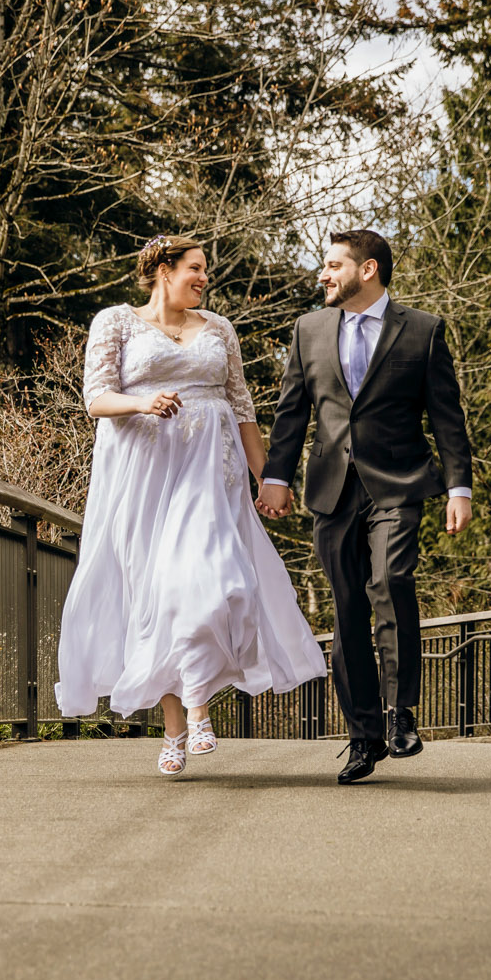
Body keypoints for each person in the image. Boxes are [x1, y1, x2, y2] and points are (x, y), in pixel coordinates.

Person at [55, 235, 326, 775]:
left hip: (210, 475)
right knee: (157, 599)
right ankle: (176, 729)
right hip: (143, 476)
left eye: (206, 270)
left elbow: (242, 406)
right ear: (162, 269)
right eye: (195, 268)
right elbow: (96, 397)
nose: (204, 278)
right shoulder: (115, 321)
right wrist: (142, 402)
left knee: (209, 585)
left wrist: (269, 478)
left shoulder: (220, 328)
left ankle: (199, 706)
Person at [257, 229, 474, 784]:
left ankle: (400, 712)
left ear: (368, 269)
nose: (323, 275)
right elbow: (291, 413)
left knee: (390, 579)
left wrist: (458, 488)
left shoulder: (423, 331)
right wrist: (276, 477)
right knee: (348, 603)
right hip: (332, 488)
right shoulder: (308, 330)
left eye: (333, 265)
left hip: (399, 483)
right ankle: (363, 736)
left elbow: (446, 415)